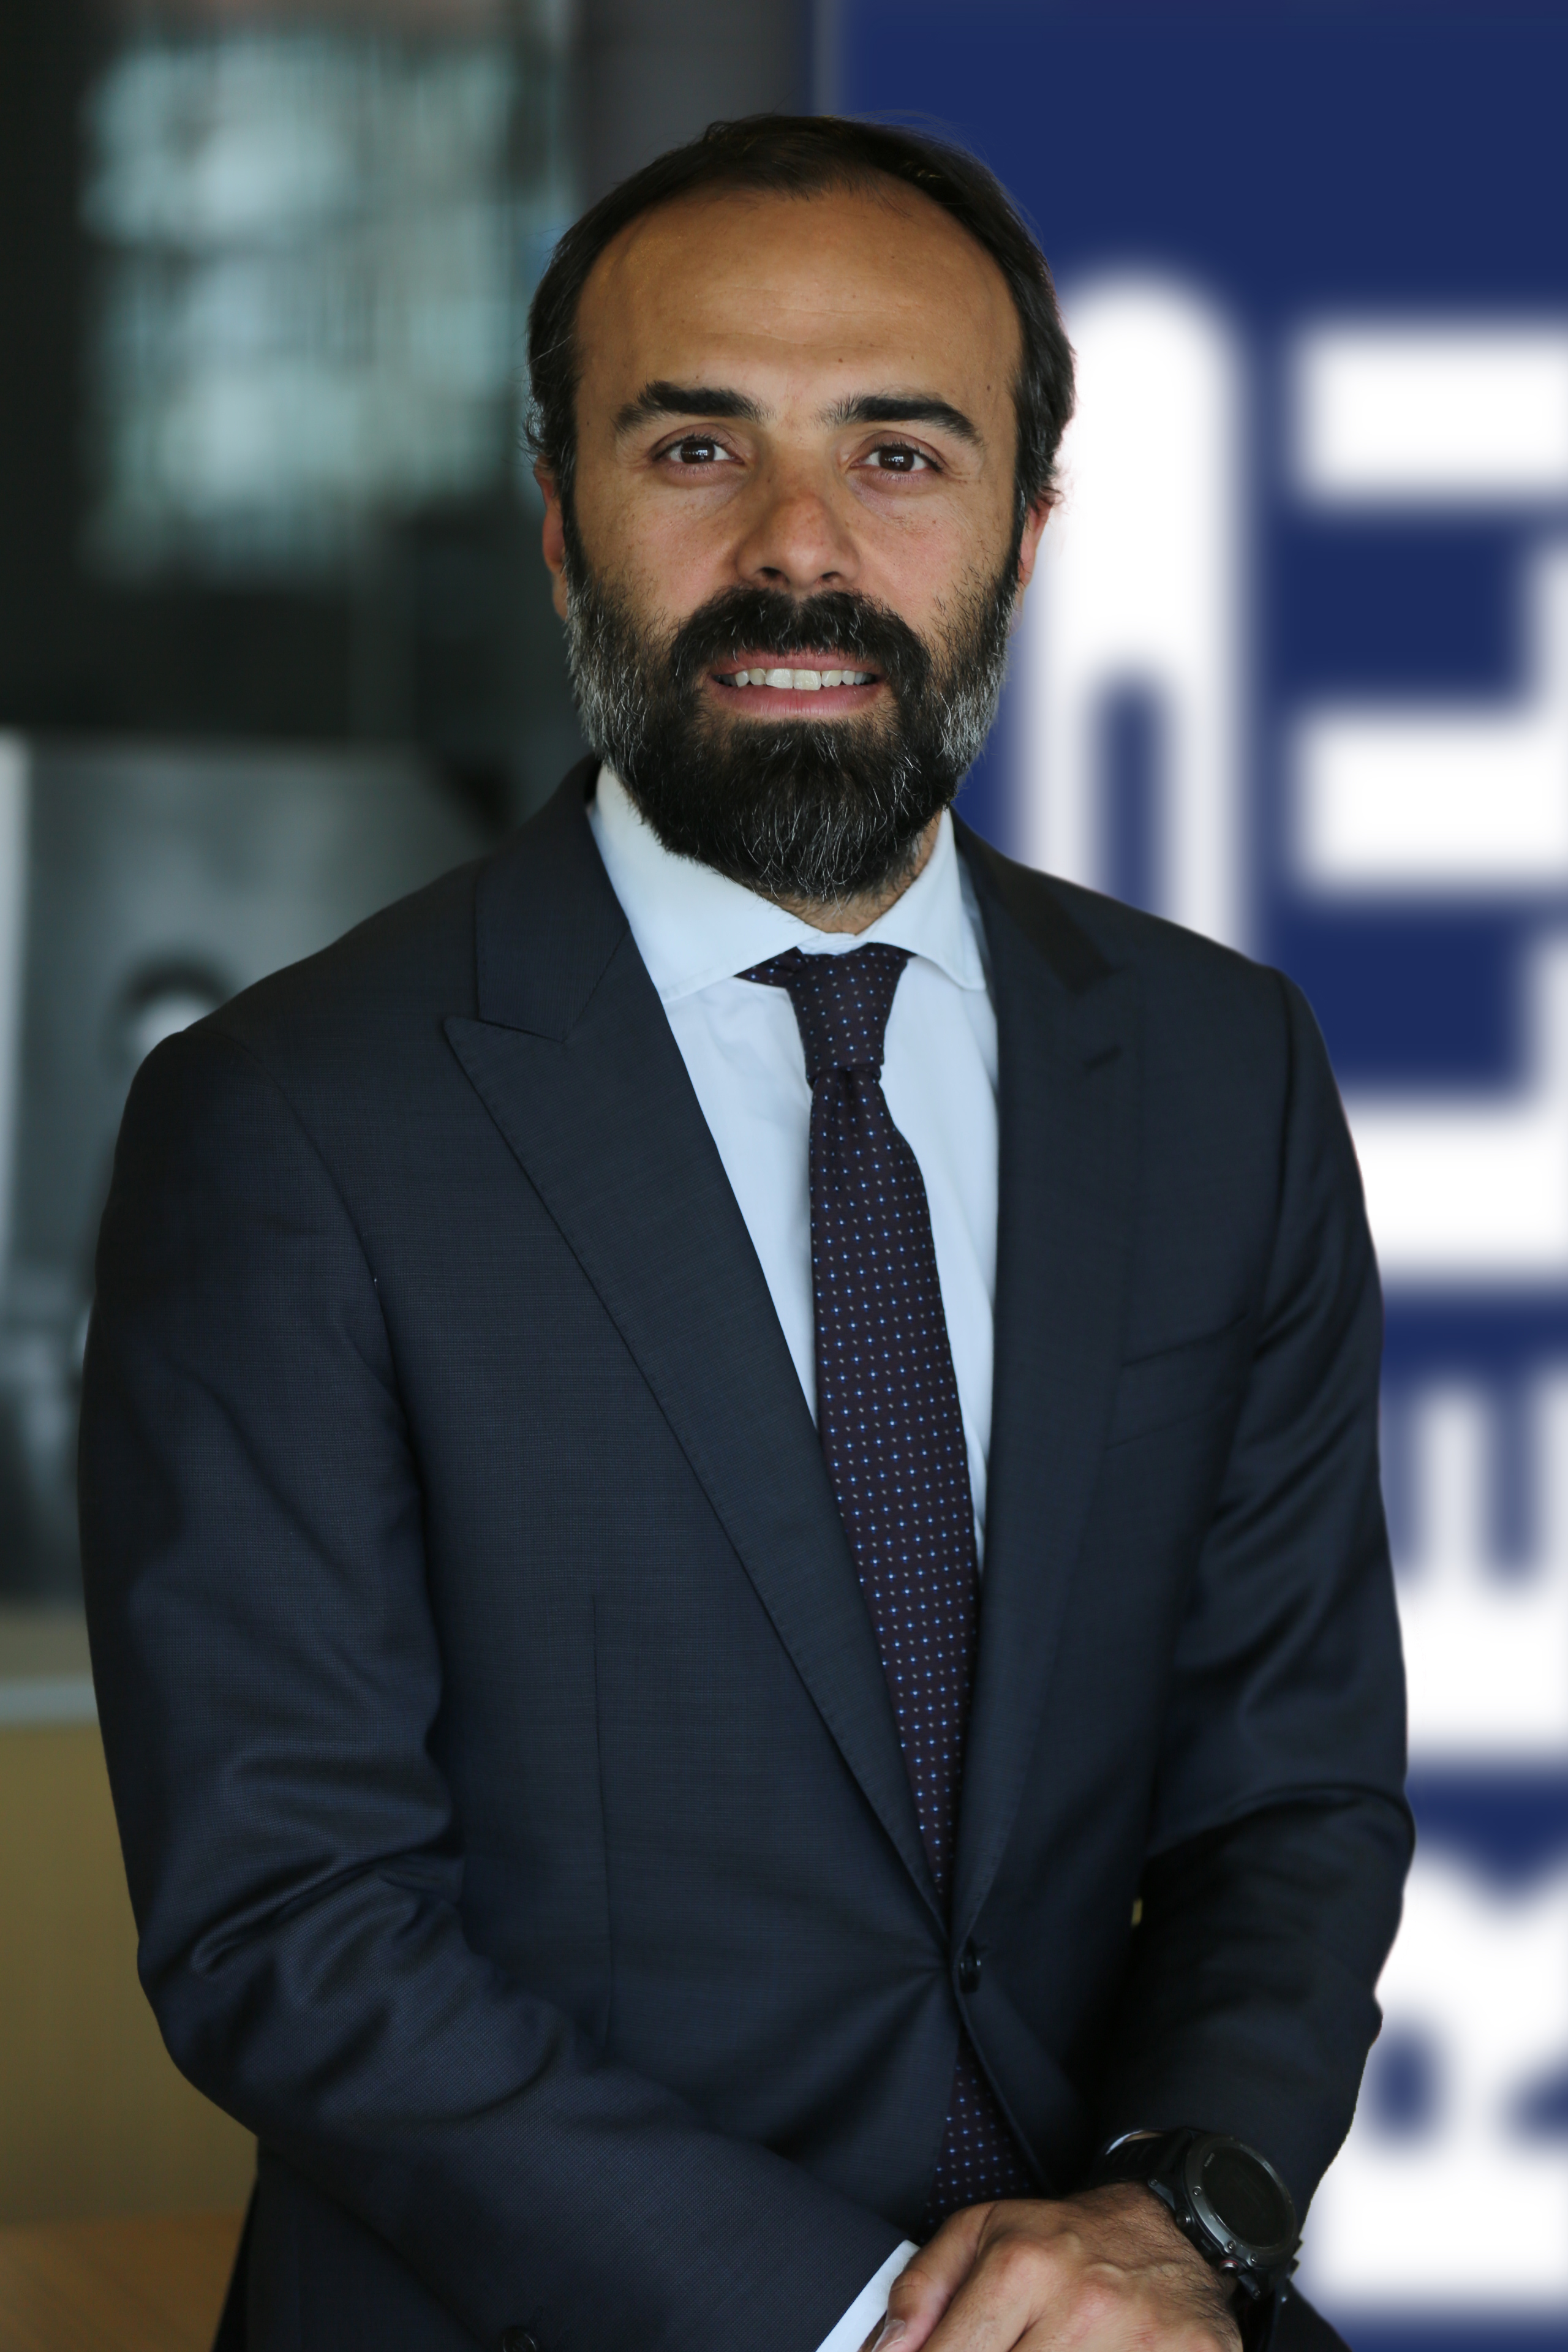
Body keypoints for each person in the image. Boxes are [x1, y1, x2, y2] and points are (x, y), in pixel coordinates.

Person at [80, 117, 1409, 2352]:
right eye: (696, 446)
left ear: (1028, 519)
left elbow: (1294, 1791)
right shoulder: (287, 1119)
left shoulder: (1223, 1066)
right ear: (559, 515)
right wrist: (883, 2318)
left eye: (899, 454)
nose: (798, 547)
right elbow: (288, 1922)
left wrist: (1174, 2224)